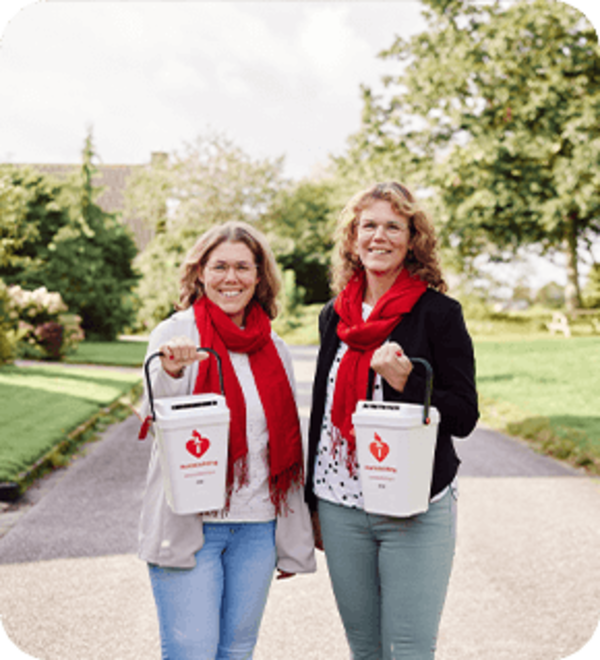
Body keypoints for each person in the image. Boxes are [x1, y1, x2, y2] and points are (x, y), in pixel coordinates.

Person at [305, 182, 479, 660]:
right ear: (352, 239)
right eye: (368, 226)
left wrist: (411, 383)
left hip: (415, 505)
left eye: (393, 226)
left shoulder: (438, 315)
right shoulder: (333, 317)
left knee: (407, 650)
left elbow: (464, 414)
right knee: (364, 650)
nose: (379, 236)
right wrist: (312, 506)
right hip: (341, 505)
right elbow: (322, 413)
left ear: (412, 239)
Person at [138, 220, 316, 660]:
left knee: (236, 651)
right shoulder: (177, 334)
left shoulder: (274, 345)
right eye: (219, 267)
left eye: (243, 267)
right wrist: (174, 370)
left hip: (256, 526)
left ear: (260, 277)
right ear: (200, 273)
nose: (230, 278)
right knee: (191, 651)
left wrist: (291, 535)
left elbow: (285, 440)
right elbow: (153, 412)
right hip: (191, 522)